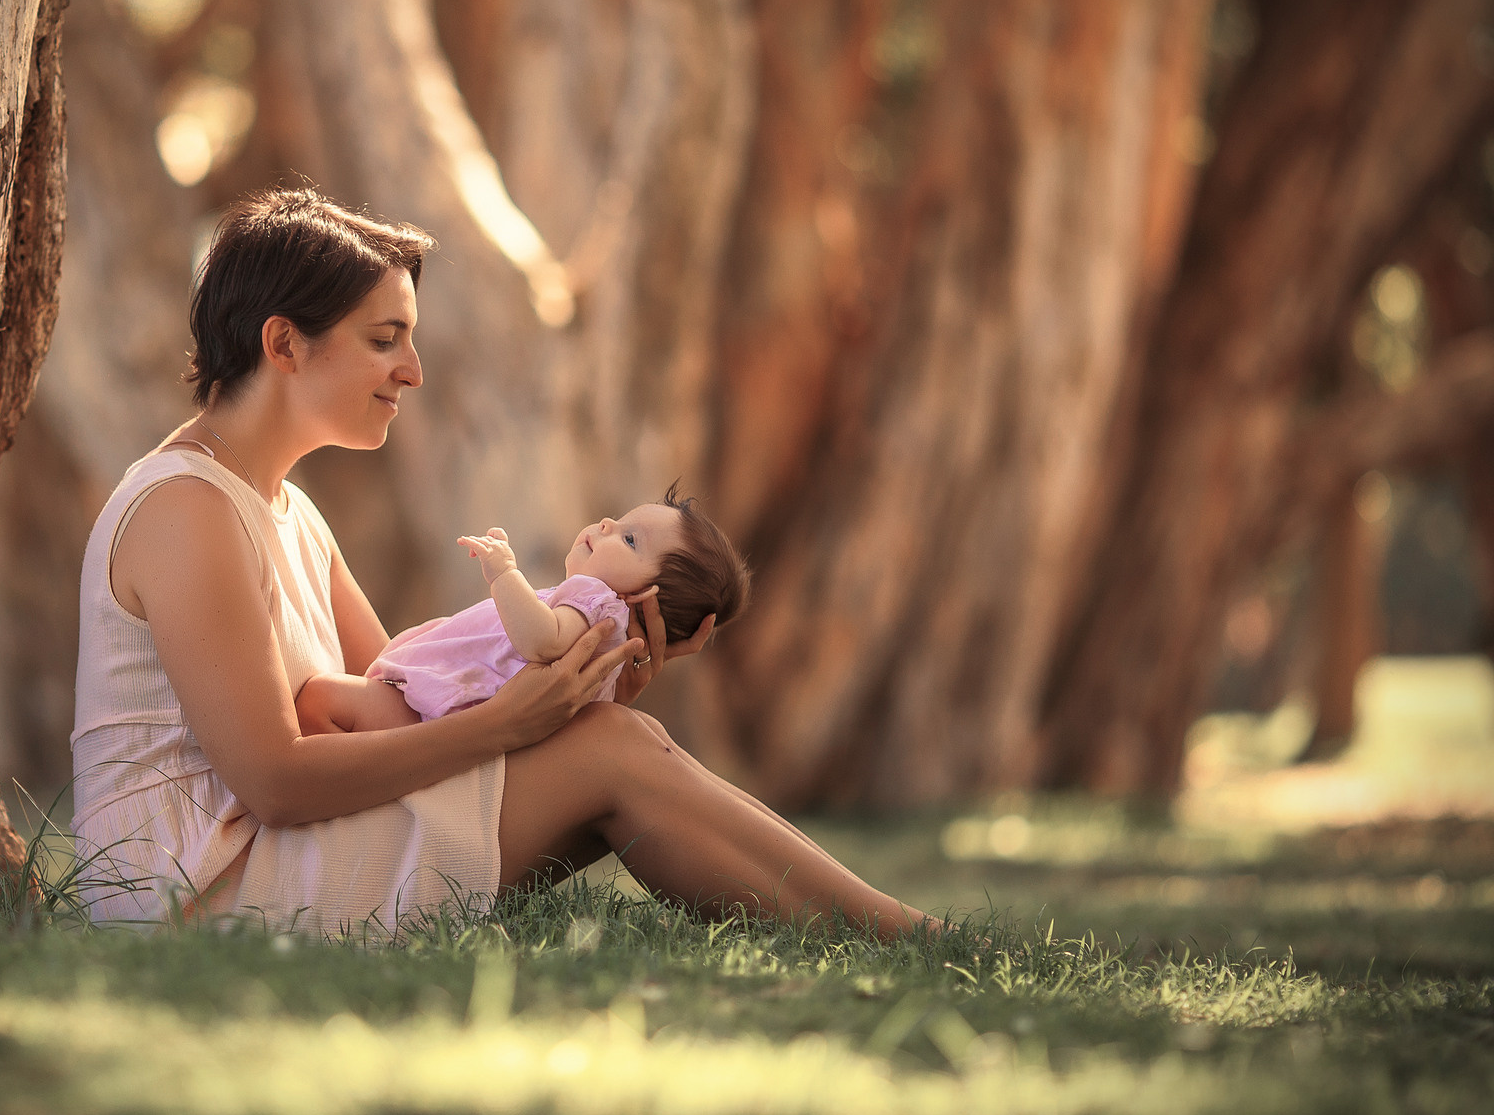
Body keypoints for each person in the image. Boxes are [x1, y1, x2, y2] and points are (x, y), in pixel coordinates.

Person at [68, 188, 936, 939]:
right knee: (609, 754)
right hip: (198, 894)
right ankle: (909, 937)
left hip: (274, 855)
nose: (413, 370)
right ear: (285, 343)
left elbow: (407, 690)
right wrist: (510, 726)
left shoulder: (287, 511)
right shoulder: (187, 509)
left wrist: (578, 685)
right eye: (385, 339)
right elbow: (277, 782)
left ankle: (895, 931)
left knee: (611, 738)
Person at [292, 490, 749, 732]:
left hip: (432, 716)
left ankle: (338, 810)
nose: (607, 524)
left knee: (321, 702)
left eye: (630, 540)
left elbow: (541, 641)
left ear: (643, 597)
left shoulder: (596, 604)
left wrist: (505, 573)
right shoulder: (595, 619)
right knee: (328, 703)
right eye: (620, 520)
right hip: (436, 710)